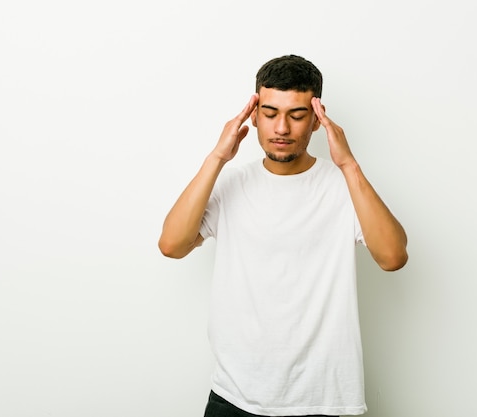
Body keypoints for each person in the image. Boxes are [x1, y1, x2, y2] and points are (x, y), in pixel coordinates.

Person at [158, 55, 408, 417]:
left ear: (318, 119)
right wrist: (217, 157)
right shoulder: (231, 183)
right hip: (234, 396)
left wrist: (349, 164)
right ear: (254, 114)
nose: (281, 128)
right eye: (271, 112)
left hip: (323, 399)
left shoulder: (344, 187)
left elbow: (393, 257)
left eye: (296, 114)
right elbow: (172, 245)